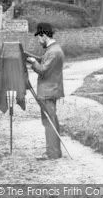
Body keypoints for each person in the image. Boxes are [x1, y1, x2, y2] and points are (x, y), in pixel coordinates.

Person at [26, 22, 65, 160]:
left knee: (49, 122)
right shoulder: (53, 49)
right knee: (51, 121)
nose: (38, 41)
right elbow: (43, 60)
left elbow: (42, 69)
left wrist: (33, 63)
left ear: (43, 35)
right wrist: (29, 57)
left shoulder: (53, 52)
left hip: (48, 92)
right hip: (50, 91)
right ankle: (55, 152)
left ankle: (52, 153)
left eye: (39, 38)